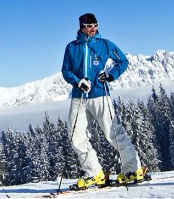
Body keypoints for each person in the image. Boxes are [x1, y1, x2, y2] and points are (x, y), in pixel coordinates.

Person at [61, 12, 148, 190]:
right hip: (79, 97)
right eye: (89, 26)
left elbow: (122, 61)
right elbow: (65, 71)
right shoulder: (71, 47)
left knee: (113, 133)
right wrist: (78, 82)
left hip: (100, 95)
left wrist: (110, 75)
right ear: (81, 27)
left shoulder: (104, 44)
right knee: (76, 136)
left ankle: (133, 169)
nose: (93, 29)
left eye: (95, 25)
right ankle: (94, 174)